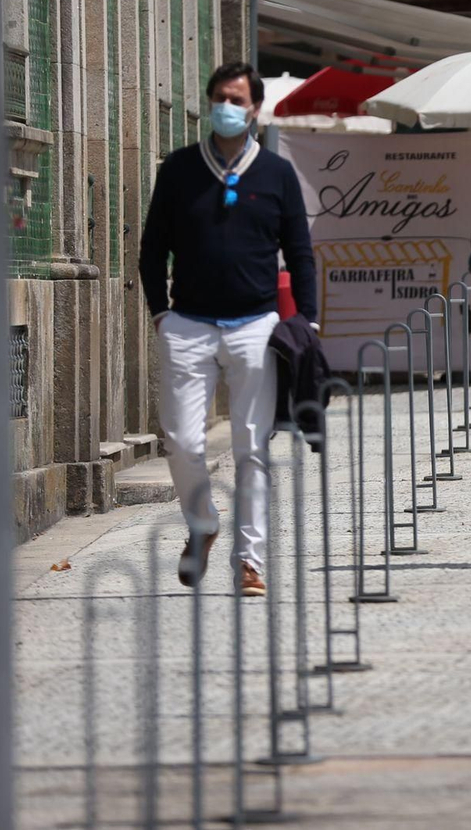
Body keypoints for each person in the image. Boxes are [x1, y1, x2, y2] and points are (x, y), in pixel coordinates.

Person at [139, 62, 317, 598]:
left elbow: (300, 252)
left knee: (251, 446)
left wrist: (306, 321)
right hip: (188, 322)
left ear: (255, 109)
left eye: (237, 100)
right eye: (220, 97)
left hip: (255, 325)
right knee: (181, 439)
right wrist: (161, 314)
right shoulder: (180, 169)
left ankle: (250, 563)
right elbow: (152, 249)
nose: (227, 107)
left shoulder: (277, 174)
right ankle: (202, 523)